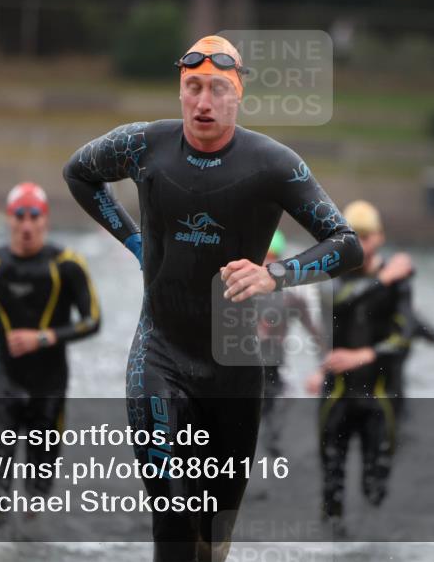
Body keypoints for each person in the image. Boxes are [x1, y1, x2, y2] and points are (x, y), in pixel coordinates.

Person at [63, 34, 363, 561]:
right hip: (159, 355)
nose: (204, 102)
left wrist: (278, 275)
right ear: (180, 92)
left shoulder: (273, 164)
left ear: (238, 93)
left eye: (218, 89)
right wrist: (134, 240)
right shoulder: (143, 146)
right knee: (173, 519)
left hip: (234, 368)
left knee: (213, 540)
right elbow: (79, 174)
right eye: (193, 87)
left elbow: (348, 244)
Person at [0, 182, 101, 523]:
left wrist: (42, 338)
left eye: (34, 217)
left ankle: (30, 542)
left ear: (45, 220)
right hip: (6, 379)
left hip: (49, 385)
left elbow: (93, 321)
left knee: (37, 491)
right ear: (8, 219)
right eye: (19, 217)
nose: (26, 225)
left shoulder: (67, 266)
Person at [307, 200, 434, 534]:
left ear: (380, 237)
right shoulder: (332, 279)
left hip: (381, 398)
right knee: (331, 494)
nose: (361, 245)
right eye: (354, 238)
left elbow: (405, 336)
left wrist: (363, 355)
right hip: (337, 397)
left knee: (375, 491)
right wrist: (382, 280)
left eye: (367, 237)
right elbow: (338, 305)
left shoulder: (400, 283)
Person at [256, 229, 323, 459]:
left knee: (282, 405)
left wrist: (324, 369)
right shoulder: (239, 292)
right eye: (264, 257)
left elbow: (317, 335)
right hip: (244, 371)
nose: (268, 263)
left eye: (274, 258)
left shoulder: (291, 299)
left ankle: (270, 452)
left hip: (275, 373)